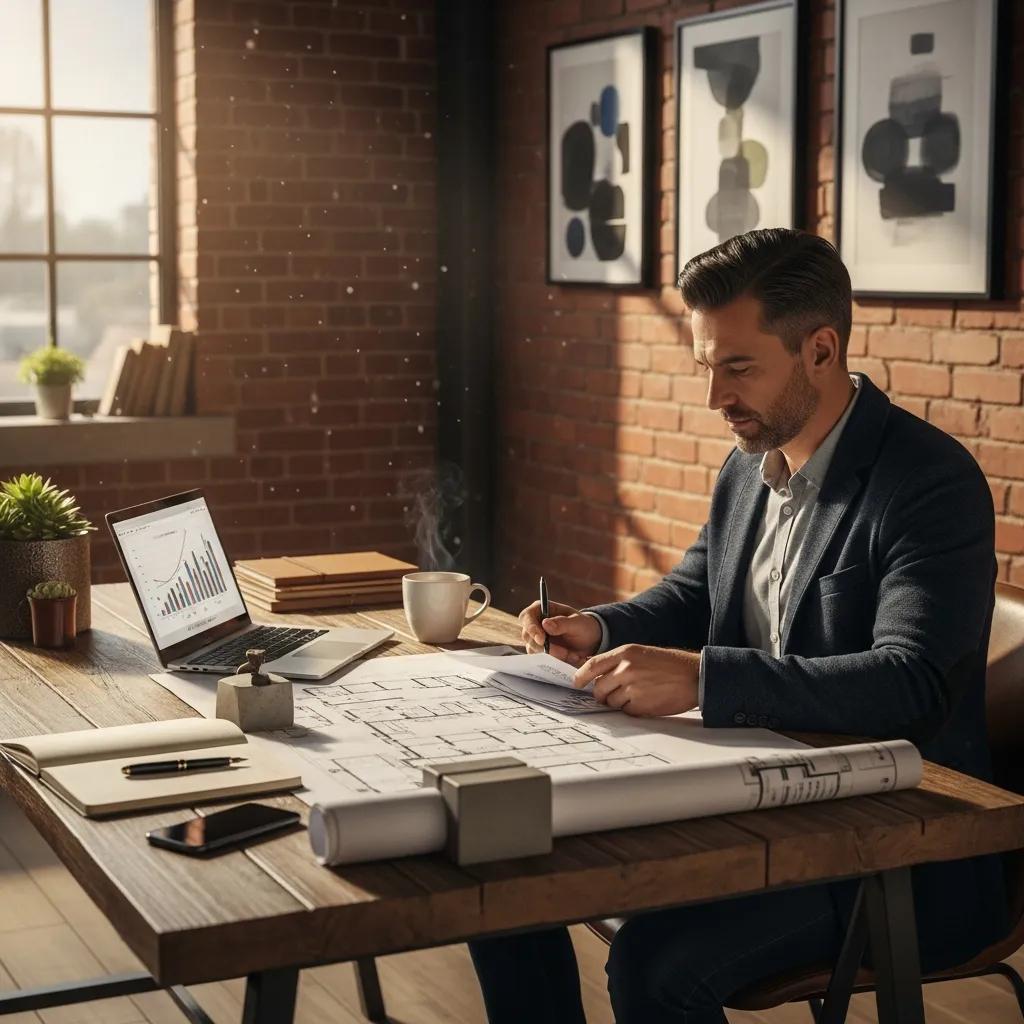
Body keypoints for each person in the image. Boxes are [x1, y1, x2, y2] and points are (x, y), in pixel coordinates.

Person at [468, 228, 1008, 1024]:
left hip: (894, 852)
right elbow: (697, 593)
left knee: (655, 966)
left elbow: (913, 684)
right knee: (500, 879)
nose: (715, 395)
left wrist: (703, 678)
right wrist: (599, 626)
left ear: (821, 350)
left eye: (738, 366)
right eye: (706, 366)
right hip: (753, 801)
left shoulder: (928, 482)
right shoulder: (748, 464)